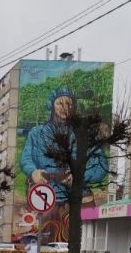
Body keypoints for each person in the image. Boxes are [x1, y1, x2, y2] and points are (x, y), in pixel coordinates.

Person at [19, 87, 109, 242]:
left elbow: (101, 166)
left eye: (69, 104)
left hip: (78, 196)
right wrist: (33, 172)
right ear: (51, 105)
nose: (65, 108)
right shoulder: (36, 133)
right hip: (46, 194)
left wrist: (80, 177)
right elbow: (26, 158)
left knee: (85, 236)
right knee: (40, 236)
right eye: (60, 103)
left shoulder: (84, 135)